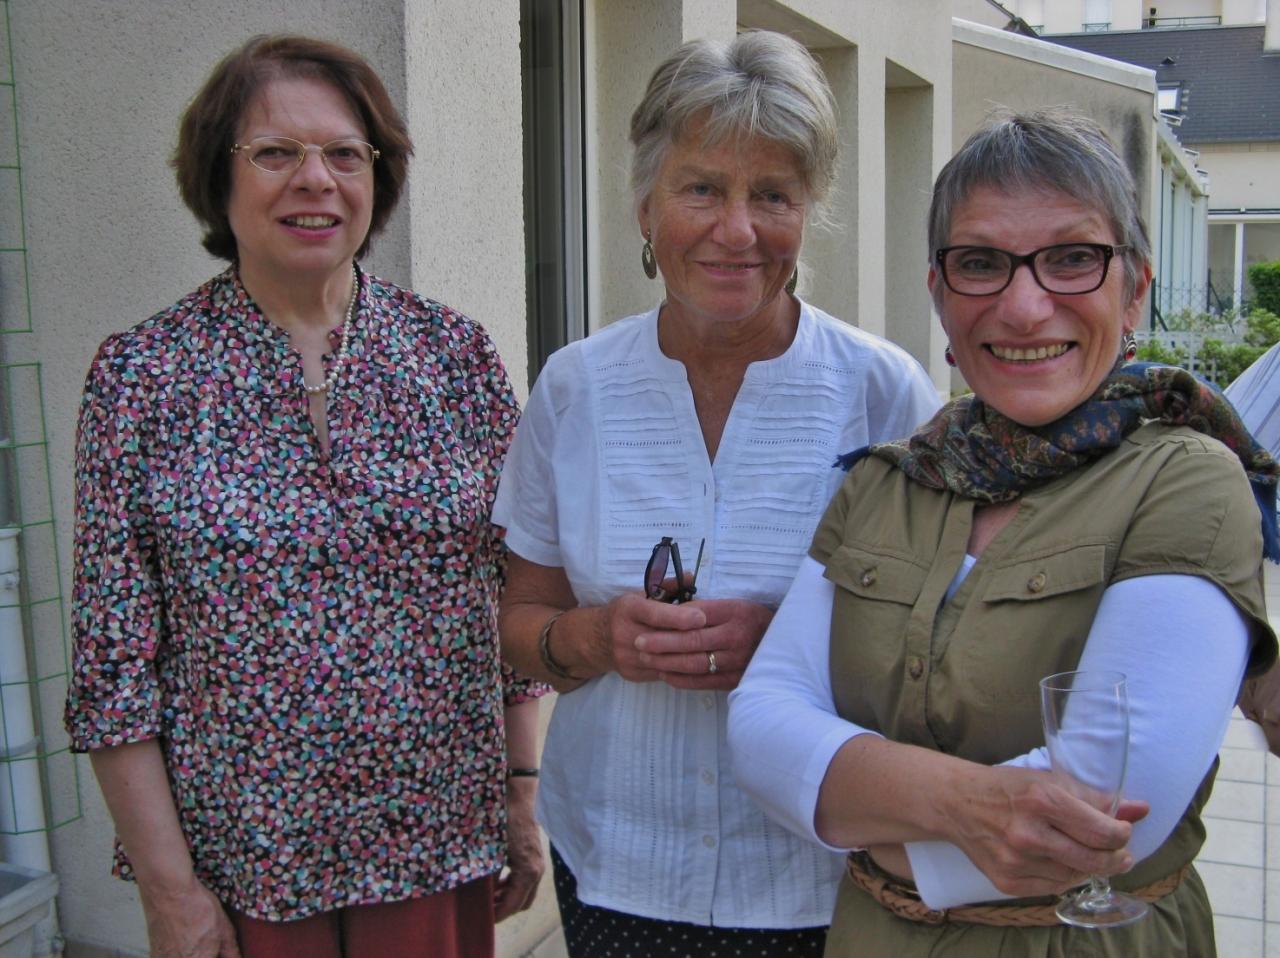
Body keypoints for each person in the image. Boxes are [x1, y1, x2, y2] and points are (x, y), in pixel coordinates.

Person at [727, 107, 1280, 957]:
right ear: (940, 295)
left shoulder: (1184, 478)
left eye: (1072, 259)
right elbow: (762, 725)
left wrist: (850, 806)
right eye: (981, 263)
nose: (1024, 307)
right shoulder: (890, 477)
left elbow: (1115, 806)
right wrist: (971, 808)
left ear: (1134, 287)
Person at [64, 35, 545, 958]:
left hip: (435, 846)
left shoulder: (456, 357)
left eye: (344, 154)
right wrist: (169, 892)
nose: (314, 179)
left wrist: (521, 795)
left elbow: (509, 597)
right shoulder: (142, 376)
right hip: (243, 867)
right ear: (220, 176)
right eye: (276, 152)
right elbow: (112, 670)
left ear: (378, 177)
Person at [493, 29, 939, 957]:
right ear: (646, 207)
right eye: (702, 188)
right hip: (614, 861)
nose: (737, 230)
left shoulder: (883, 394)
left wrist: (792, 647)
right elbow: (519, 611)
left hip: (818, 866)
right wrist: (592, 637)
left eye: (772, 194)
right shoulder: (574, 388)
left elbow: (950, 635)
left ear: (806, 212)